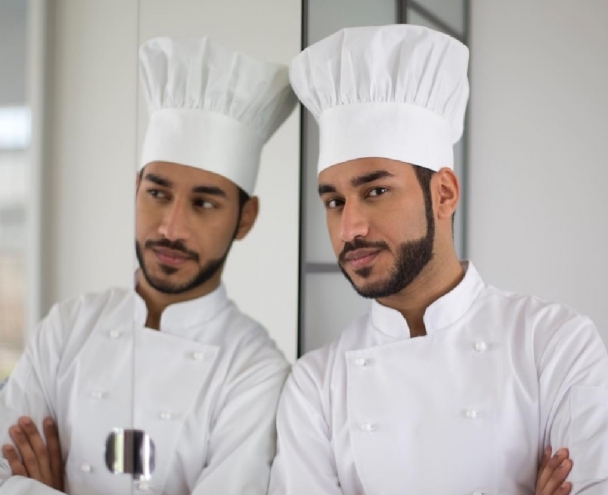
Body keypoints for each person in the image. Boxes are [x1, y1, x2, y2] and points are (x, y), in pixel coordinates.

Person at [269, 25, 608, 494]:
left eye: (376, 191)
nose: (350, 228)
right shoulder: (315, 387)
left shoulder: (553, 344)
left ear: (444, 193)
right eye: (334, 201)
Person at [0, 35, 297, 494]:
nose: (171, 228)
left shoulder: (253, 370)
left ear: (245, 218)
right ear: (136, 189)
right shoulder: (68, 328)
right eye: (158, 193)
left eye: (204, 203)